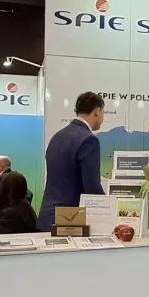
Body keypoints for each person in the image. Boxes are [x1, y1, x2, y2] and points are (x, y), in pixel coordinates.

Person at [38, 92, 105, 230]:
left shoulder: (57, 136)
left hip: (47, 217)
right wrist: (112, 209)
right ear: (97, 111)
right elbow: (92, 187)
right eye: (103, 113)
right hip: (70, 221)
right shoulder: (89, 140)